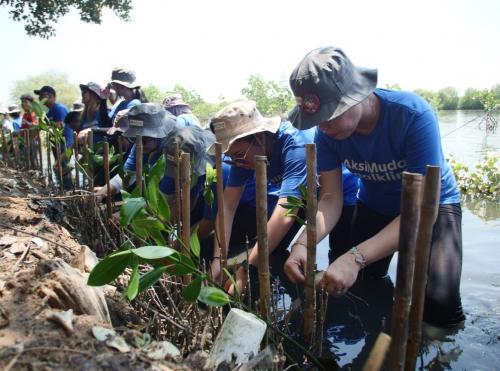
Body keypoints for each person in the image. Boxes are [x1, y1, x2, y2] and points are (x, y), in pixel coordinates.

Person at [285, 46, 464, 327]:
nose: (324, 128)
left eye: (330, 116)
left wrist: (355, 257)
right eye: (317, 122)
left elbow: (418, 211)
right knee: (363, 284)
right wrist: (302, 244)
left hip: (434, 207)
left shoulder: (413, 116)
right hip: (375, 203)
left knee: (441, 306)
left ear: (355, 95)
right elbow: (331, 198)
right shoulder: (327, 135)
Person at [208, 100, 316, 294]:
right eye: (231, 157)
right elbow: (227, 207)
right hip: (292, 195)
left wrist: (247, 268)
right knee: (271, 250)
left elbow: (286, 211)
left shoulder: (295, 145)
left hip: (326, 193)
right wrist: (219, 259)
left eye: (239, 155)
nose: (236, 162)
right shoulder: (242, 158)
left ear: (259, 137)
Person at [93, 103, 176, 201]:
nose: (139, 145)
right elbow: (128, 175)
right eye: (133, 139)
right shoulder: (140, 144)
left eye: (144, 139)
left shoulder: (173, 144)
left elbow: (167, 193)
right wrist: (101, 194)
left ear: (157, 135)